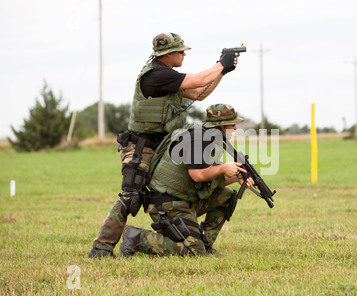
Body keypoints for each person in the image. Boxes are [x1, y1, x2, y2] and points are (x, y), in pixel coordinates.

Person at [88, 33, 239, 258]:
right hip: (140, 146)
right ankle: (101, 248)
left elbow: (199, 93)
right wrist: (219, 64)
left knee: (166, 191)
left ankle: (182, 234)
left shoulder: (167, 78)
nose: (184, 54)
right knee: (131, 196)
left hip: (159, 146)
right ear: (168, 55)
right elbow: (198, 80)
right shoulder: (156, 75)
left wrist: (222, 72)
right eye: (181, 51)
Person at [119, 104, 254, 257]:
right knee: (194, 252)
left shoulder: (208, 137)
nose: (235, 128)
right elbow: (197, 175)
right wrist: (223, 168)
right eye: (232, 124)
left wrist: (237, 177)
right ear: (220, 125)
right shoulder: (199, 139)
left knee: (227, 195)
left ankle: (205, 243)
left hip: (183, 200)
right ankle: (137, 237)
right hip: (168, 204)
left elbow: (209, 177)